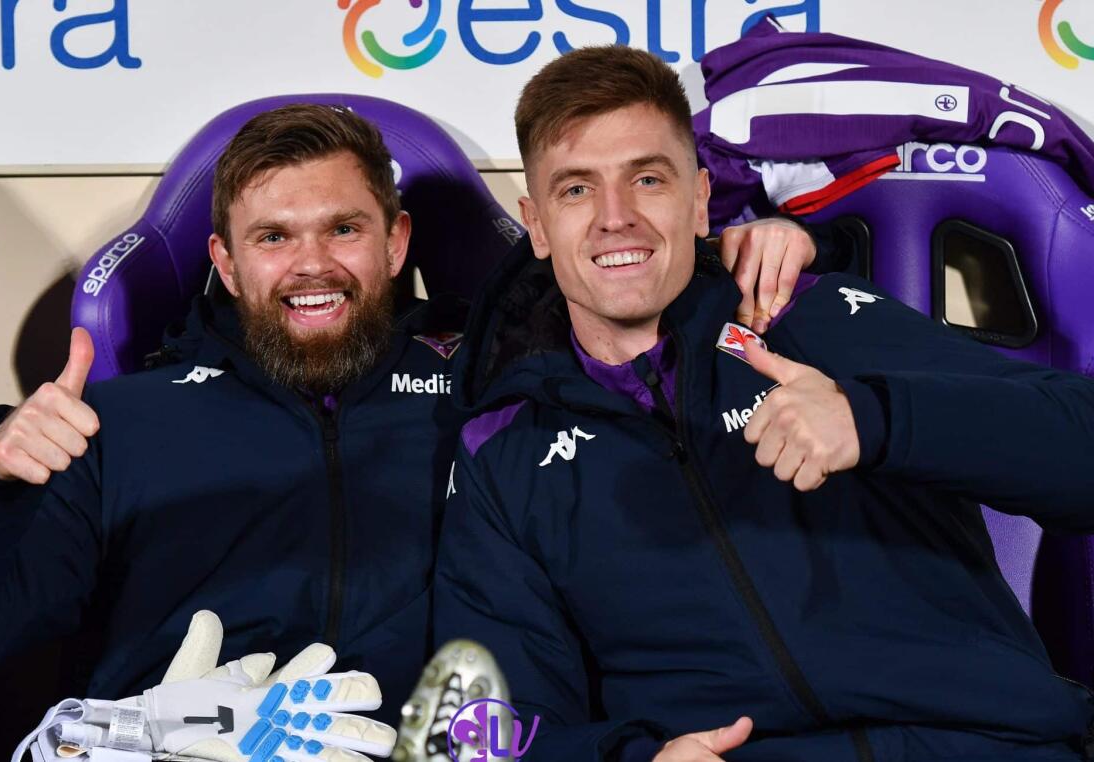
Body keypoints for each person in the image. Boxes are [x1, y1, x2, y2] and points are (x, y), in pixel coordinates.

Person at [0, 104, 834, 730]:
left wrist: (740, 255)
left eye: (343, 229)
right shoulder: (117, 424)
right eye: (273, 237)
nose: (312, 265)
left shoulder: (508, 386)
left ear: (396, 242)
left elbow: (637, 309)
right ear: (225, 264)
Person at [433, 45, 1094, 761]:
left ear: (698, 201)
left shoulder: (814, 318)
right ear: (536, 224)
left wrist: (875, 419)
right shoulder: (503, 446)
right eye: (576, 190)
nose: (615, 217)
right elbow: (492, 728)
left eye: (647, 179)